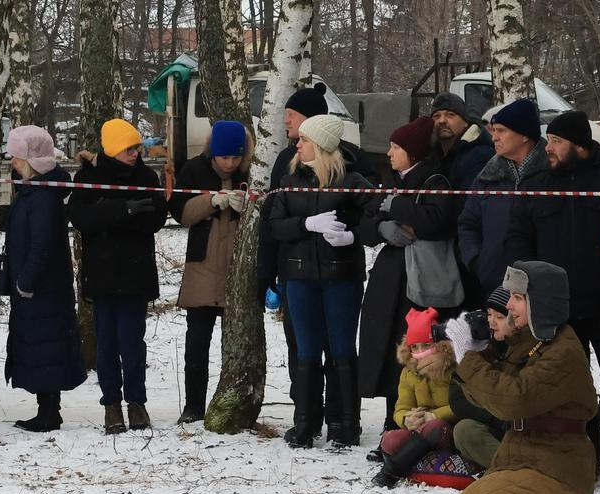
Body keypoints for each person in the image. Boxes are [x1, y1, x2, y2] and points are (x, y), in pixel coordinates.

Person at [441, 262, 597, 494]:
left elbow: (511, 400)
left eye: (518, 297)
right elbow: (487, 397)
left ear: (542, 303)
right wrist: (478, 349)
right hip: (522, 459)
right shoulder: (525, 343)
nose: (508, 304)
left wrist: (468, 359)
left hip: (559, 471)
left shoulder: (562, 351)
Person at [509, 109, 600, 475]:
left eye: (558, 141)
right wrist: (527, 288)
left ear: (579, 145)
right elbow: (518, 239)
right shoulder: (535, 184)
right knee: (569, 389)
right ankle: (582, 459)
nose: (550, 147)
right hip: (556, 310)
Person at [266, 111, 372, 448]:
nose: (298, 144)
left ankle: (345, 425)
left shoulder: (353, 181)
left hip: (342, 277)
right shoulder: (289, 179)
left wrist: (353, 236)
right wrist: (306, 224)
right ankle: (306, 422)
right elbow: (273, 225)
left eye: (305, 140)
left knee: (341, 348)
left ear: (322, 146)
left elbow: (379, 214)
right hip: (298, 275)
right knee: (307, 349)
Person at [68, 119, 170, 434]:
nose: (134, 153)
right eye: (128, 148)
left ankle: (136, 402)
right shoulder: (90, 175)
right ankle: (111, 404)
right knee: (107, 344)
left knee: (132, 343)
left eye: (137, 147)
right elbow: (80, 217)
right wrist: (121, 211)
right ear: (112, 147)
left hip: (136, 272)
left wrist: (112, 215)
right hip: (102, 274)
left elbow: (155, 218)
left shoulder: (146, 175)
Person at [358, 116, 460, 430]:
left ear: (413, 152)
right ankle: (395, 422)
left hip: (420, 284)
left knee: (420, 353)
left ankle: (428, 425)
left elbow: (433, 221)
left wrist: (396, 207)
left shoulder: (436, 181)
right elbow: (364, 226)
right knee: (393, 357)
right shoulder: (391, 179)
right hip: (390, 280)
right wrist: (382, 226)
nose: (389, 152)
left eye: (396, 147)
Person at [1, 125, 84, 432]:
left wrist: (26, 282)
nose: (13, 163)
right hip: (38, 288)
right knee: (41, 346)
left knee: (46, 348)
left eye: (18, 158)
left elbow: (42, 245)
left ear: (33, 160)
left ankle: (49, 412)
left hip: (42, 289)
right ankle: (47, 409)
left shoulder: (43, 197)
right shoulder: (32, 191)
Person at [173, 120, 251, 424]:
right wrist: (211, 201)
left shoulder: (249, 173)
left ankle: (234, 402)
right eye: (223, 158)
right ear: (212, 153)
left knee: (237, 345)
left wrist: (250, 205)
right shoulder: (193, 170)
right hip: (202, 269)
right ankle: (193, 406)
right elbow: (181, 213)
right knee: (196, 345)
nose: (229, 164)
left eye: (235, 158)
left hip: (237, 269)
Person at [459, 99, 548, 308]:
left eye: (501, 130)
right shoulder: (486, 177)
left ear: (524, 135)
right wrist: (476, 261)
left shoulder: (553, 175)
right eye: (493, 130)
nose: (494, 137)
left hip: (543, 287)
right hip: (494, 284)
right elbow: (468, 223)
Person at [375, 308, 457, 487]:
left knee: (435, 427)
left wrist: (434, 416)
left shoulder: (454, 368)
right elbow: (401, 408)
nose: (420, 352)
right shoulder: (408, 372)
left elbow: (463, 405)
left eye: (426, 345)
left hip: (449, 430)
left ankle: (391, 472)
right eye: (415, 347)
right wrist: (407, 419)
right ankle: (423, 460)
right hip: (419, 432)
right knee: (389, 440)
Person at [428, 94, 495, 192]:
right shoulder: (432, 154)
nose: (441, 120)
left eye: (450, 114)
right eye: (436, 116)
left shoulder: (480, 156)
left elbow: (469, 203)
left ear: (465, 122)